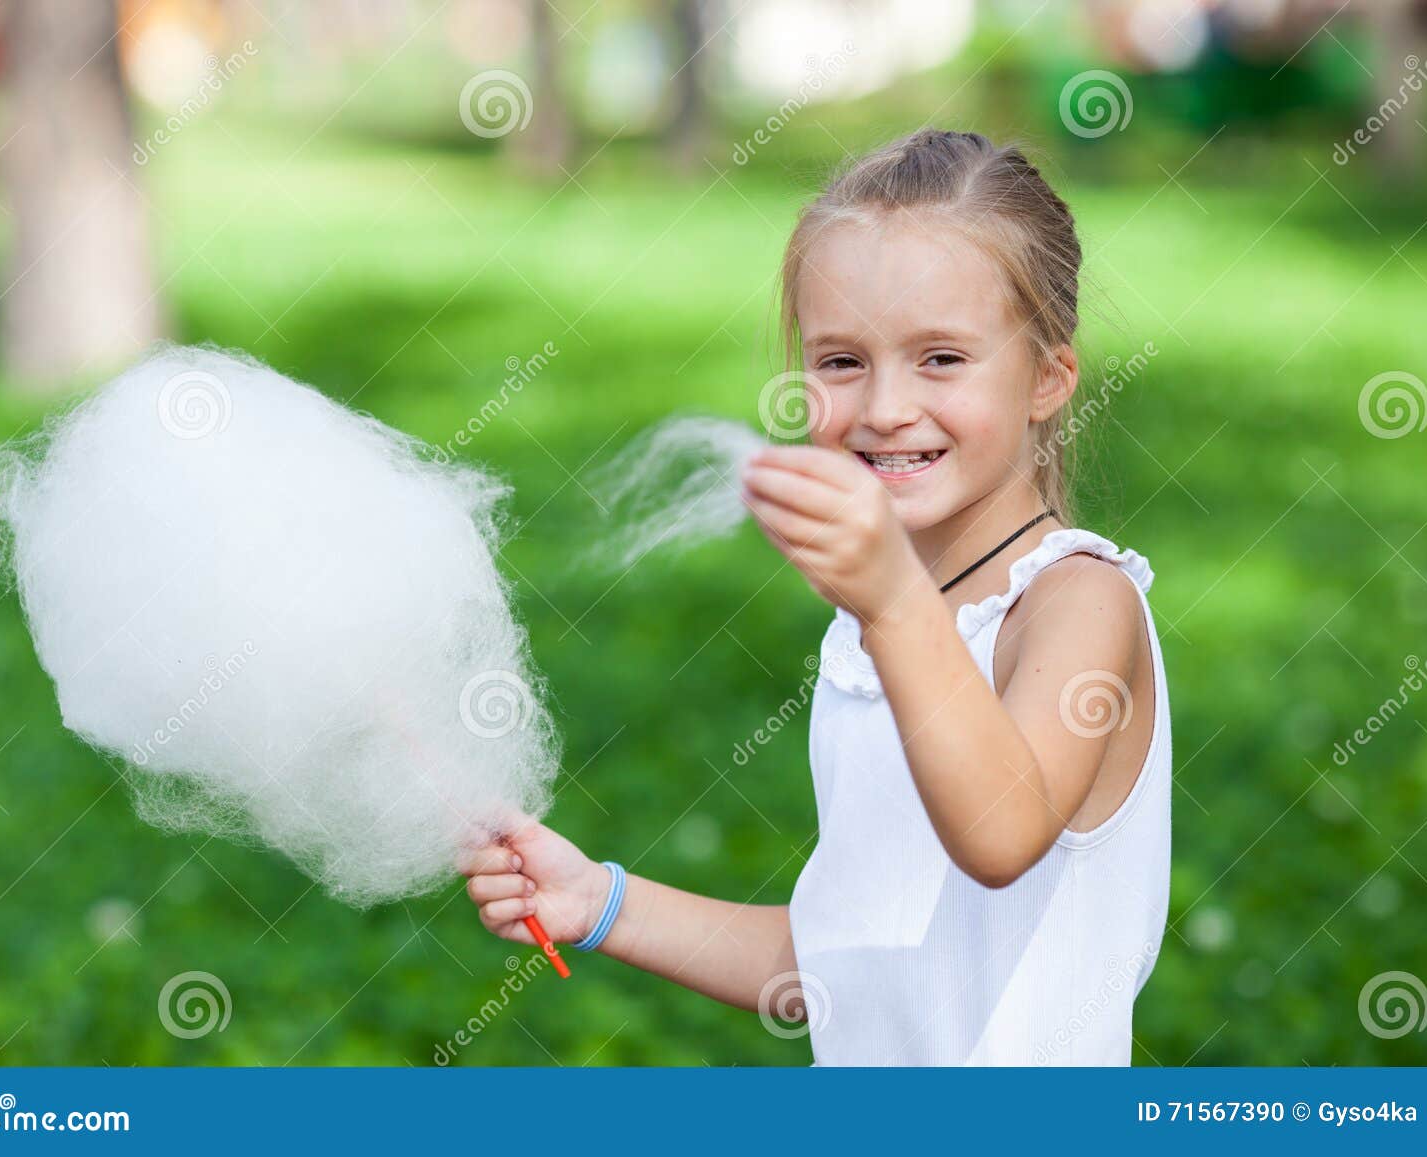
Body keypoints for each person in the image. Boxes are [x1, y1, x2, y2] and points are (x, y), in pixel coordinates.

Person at [459, 129, 1171, 1066]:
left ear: (1047, 378)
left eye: (942, 359)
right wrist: (602, 902)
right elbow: (848, 962)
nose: (882, 407)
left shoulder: (1079, 603)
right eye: (841, 361)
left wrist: (892, 606)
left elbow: (1003, 832)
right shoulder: (878, 630)